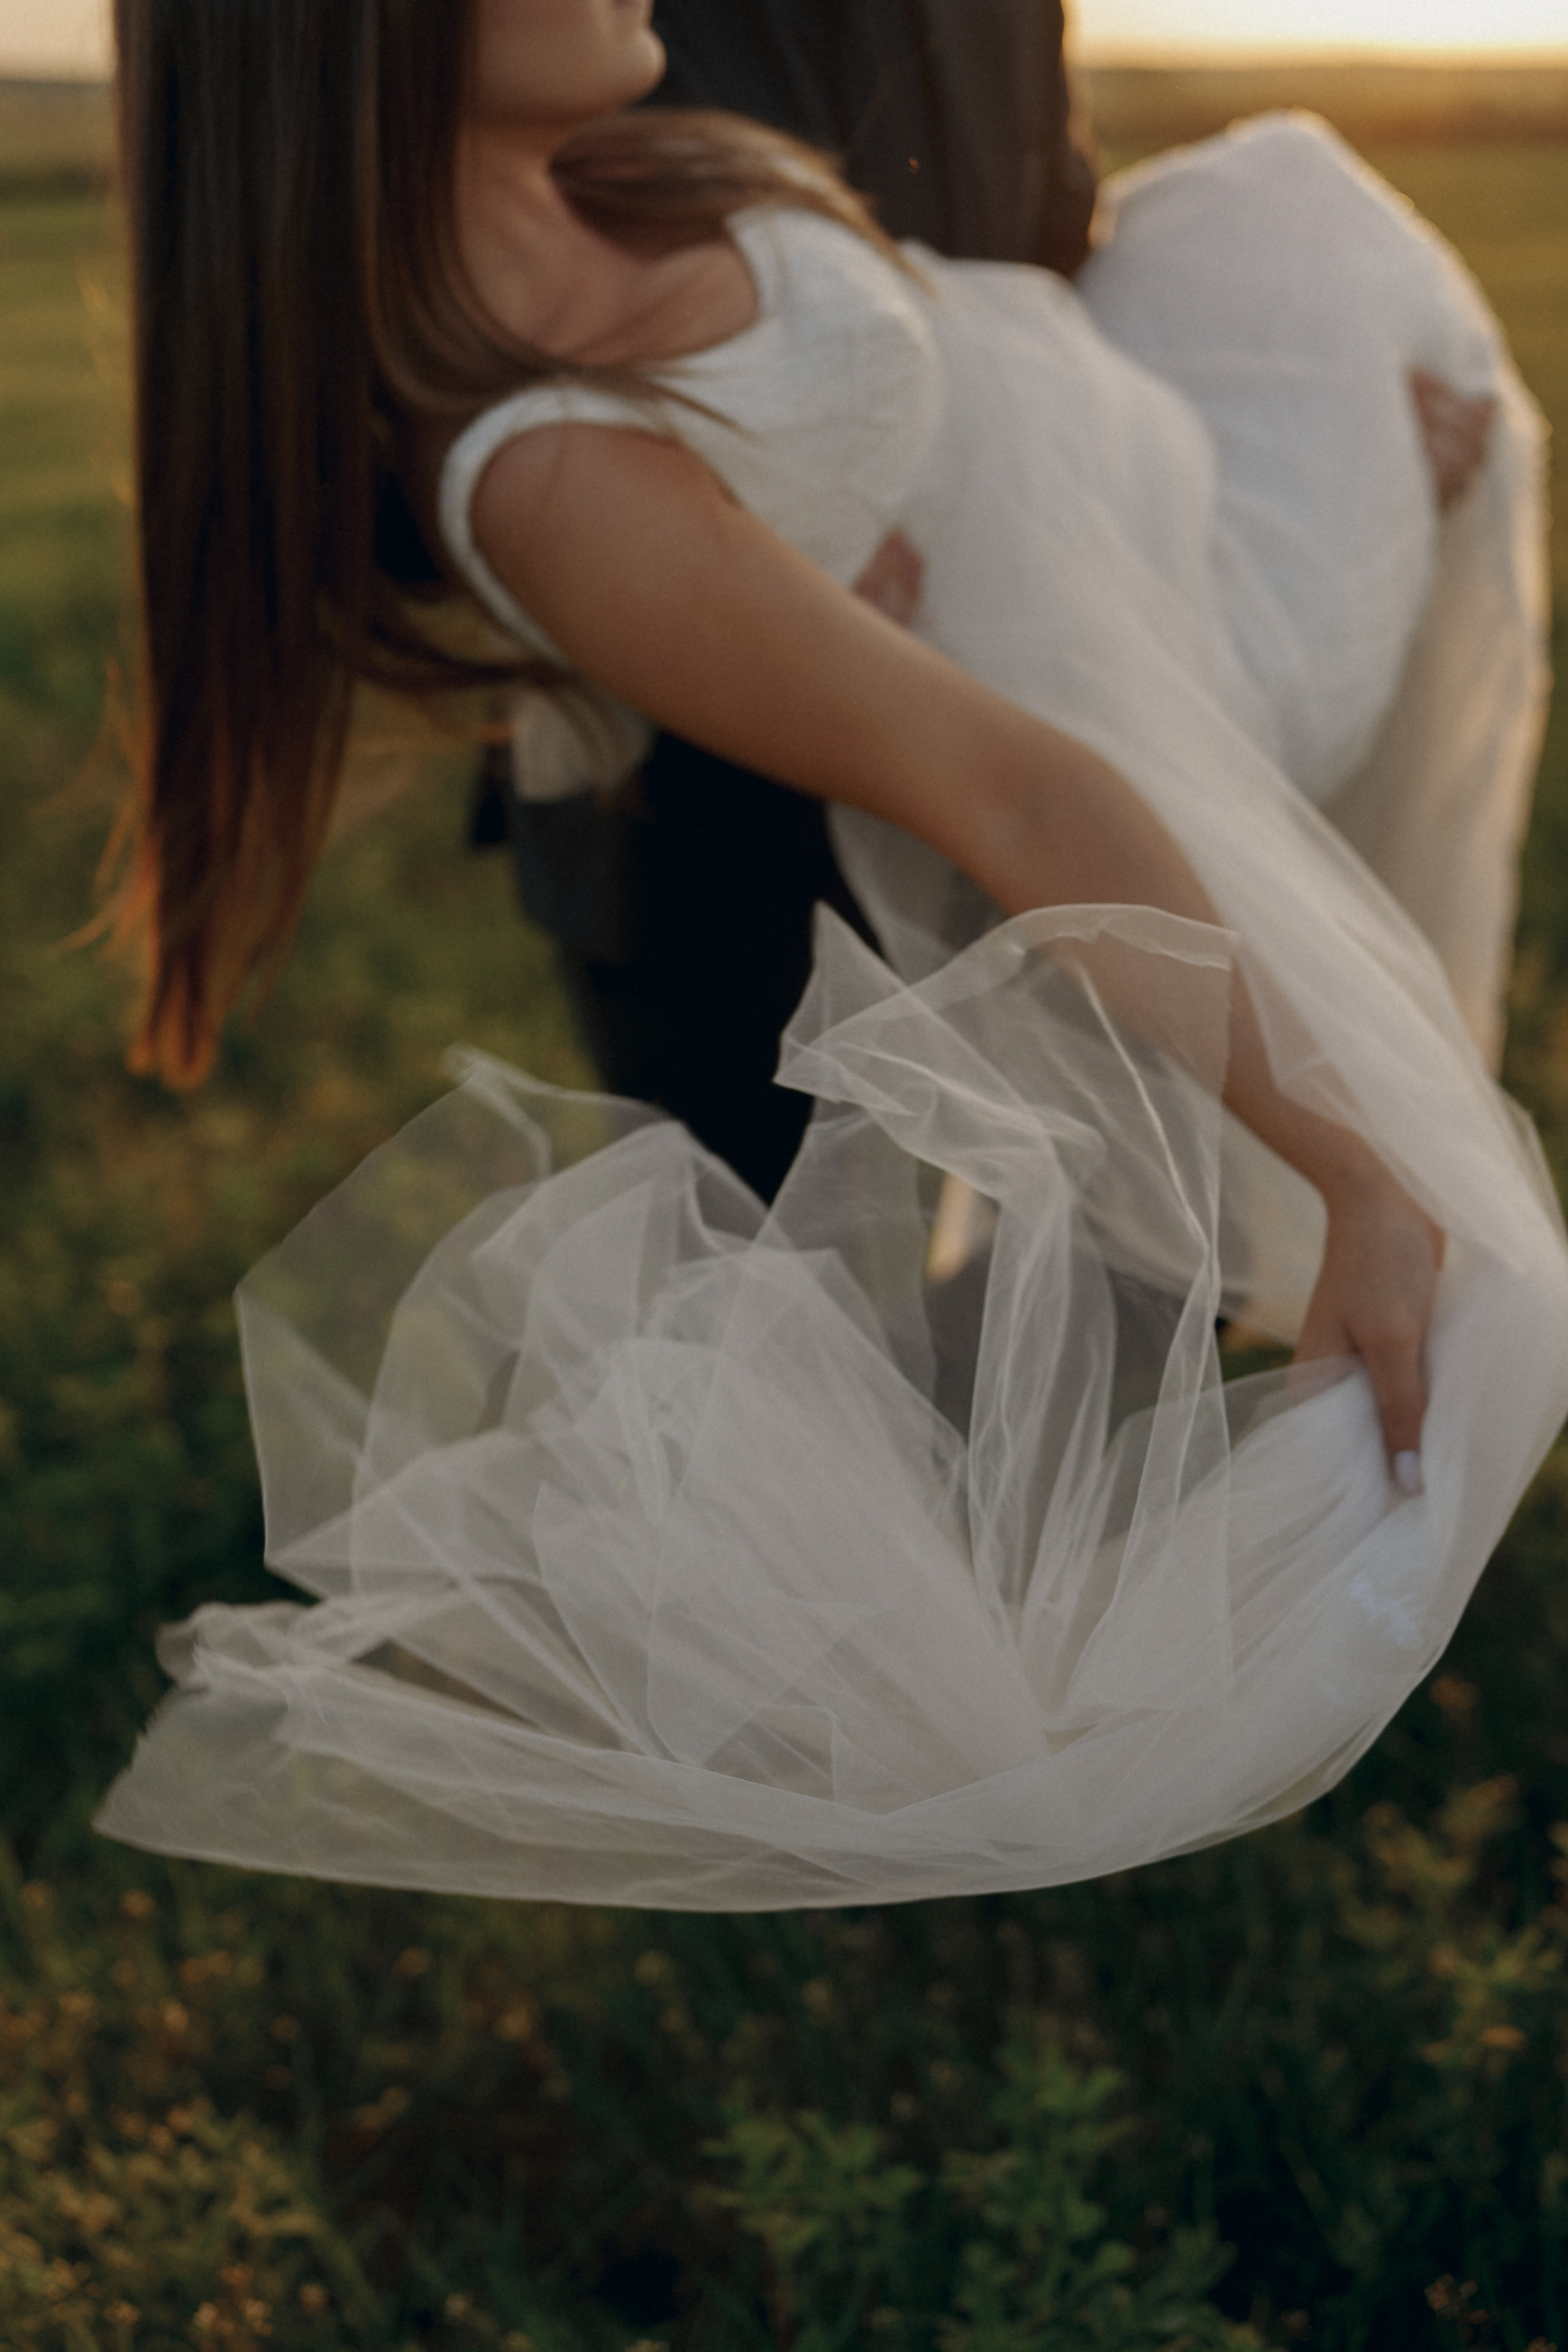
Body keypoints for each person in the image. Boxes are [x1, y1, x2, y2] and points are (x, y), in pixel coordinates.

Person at [96, 0, 1568, 1912]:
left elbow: (984, 284)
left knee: (1286, 208)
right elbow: (1014, 790)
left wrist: (917, 464)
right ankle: (922, 1742)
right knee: (903, 1358)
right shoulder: (542, 466)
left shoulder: (631, 163)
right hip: (1123, 675)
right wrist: (1352, 1155)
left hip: (1162, 486)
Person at [490, 0, 1099, 1203]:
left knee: (1076, 1261)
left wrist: (1326, 416)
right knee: (767, 1290)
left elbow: (1056, 249)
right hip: (697, 821)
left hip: (1006, 709)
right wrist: (734, 520)